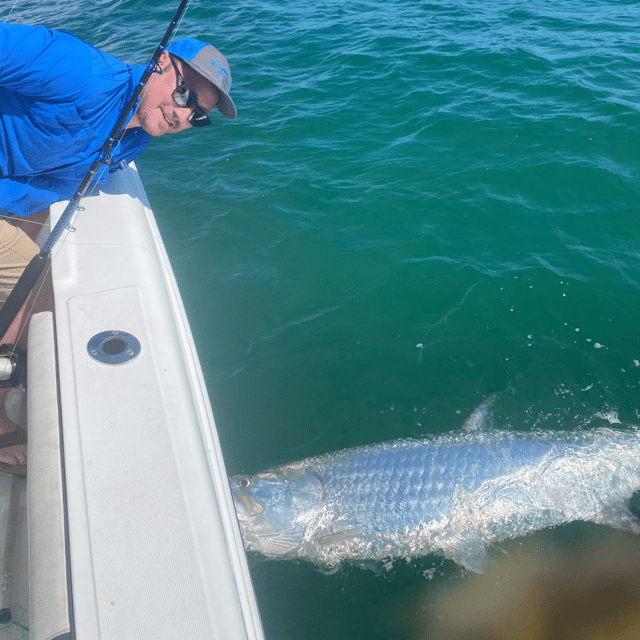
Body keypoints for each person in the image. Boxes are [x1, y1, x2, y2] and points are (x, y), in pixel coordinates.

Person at [0, 22, 237, 470]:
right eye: (186, 96)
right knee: (42, 294)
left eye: (198, 116)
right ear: (161, 62)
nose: (184, 117)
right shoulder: (78, 71)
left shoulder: (134, 137)